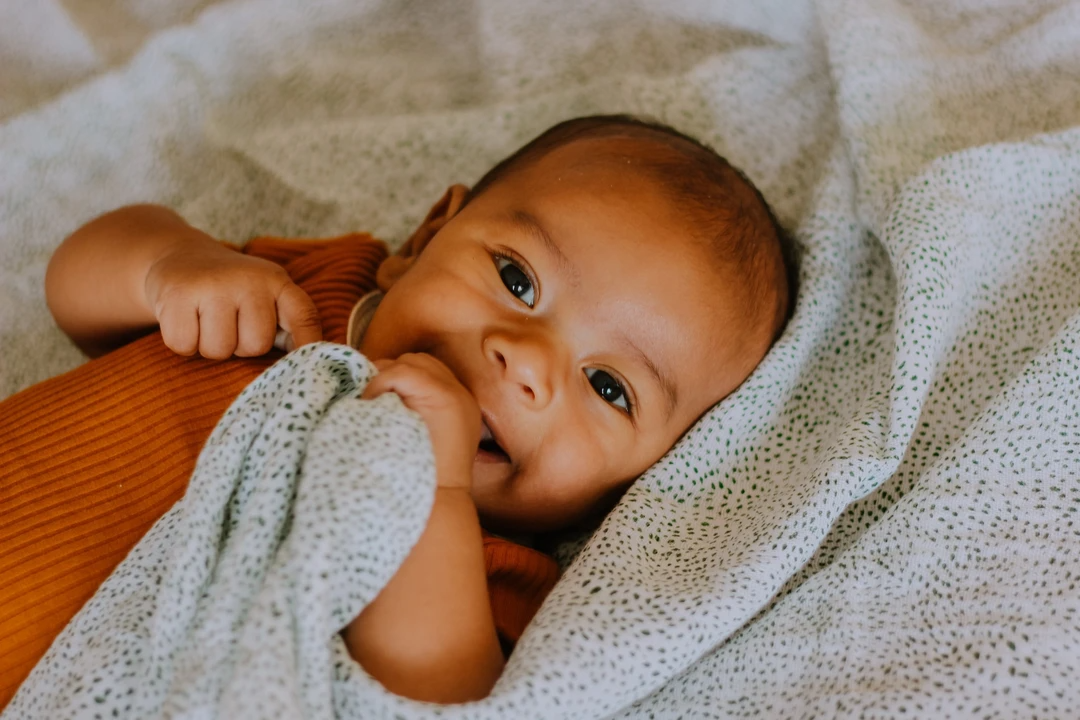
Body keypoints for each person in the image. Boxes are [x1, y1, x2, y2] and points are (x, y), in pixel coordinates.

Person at [16, 115, 796, 705]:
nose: (524, 360)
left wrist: (435, 494)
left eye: (609, 388)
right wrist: (167, 266)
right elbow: (76, 295)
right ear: (425, 237)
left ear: (635, 485)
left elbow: (426, 689)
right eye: (517, 280)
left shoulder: (487, 564)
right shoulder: (299, 295)